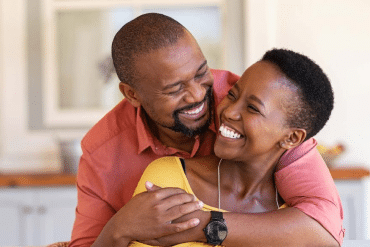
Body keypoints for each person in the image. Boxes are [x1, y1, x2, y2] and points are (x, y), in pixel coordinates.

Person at [70, 13, 344, 247]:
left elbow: (325, 226)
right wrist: (120, 228)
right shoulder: (102, 152)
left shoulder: (250, 103)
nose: (197, 95)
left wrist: (201, 226)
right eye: (175, 89)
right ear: (131, 95)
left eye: (201, 73)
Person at [129, 48, 339, 247]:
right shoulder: (170, 180)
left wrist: (204, 225)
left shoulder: (300, 221)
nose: (229, 112)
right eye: (232, 95)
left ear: (292, 138)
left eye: (252, 108)